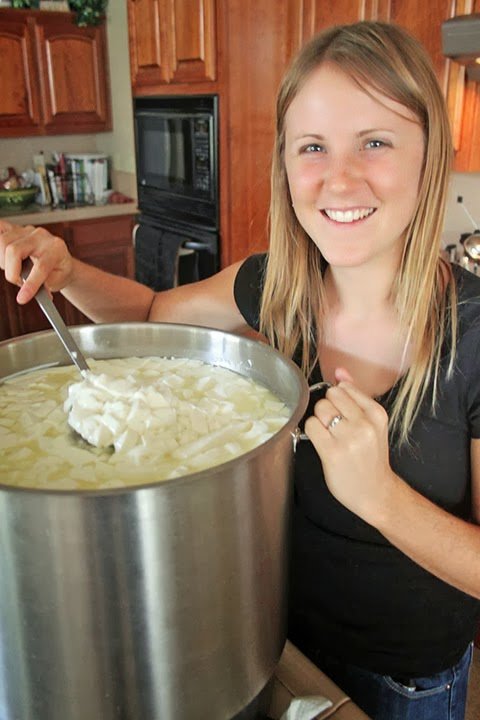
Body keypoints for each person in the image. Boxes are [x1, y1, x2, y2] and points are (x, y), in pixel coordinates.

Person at [1, 20, 479, 720]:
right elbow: (155, 314)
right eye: (312, 147)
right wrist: (69, 272)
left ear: (429, 155)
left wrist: (377, 495)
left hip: (407, 678)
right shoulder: (277, 287)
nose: (339, 178)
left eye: (375, 141)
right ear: (285, 163)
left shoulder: (474, 333)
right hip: (271, 639)